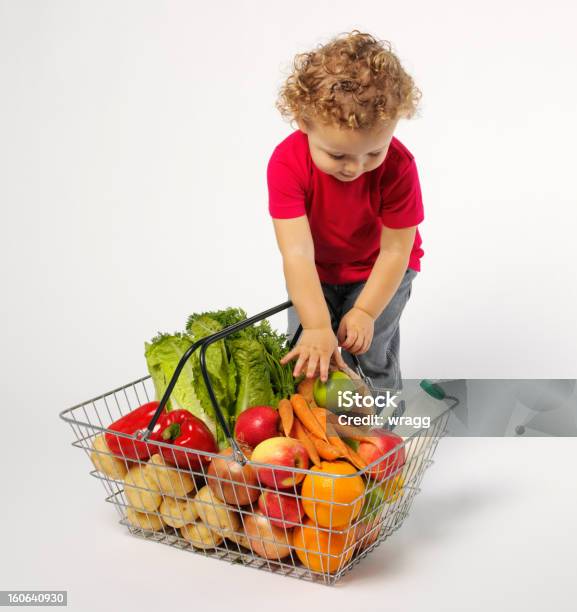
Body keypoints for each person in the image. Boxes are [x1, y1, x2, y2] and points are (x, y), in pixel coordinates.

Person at [267, 30, 424, 390]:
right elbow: (296, 252)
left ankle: (382, 426)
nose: (354, 168)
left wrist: (366, 311)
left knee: (367, 351)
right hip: (315, 269)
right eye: (337, 155)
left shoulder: (399, 166)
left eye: (373, 153)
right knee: (308, 350)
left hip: (380, 268)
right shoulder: (287, 163)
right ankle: (318, 427)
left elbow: (396, 250)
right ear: (303, 122)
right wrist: (318, 326)